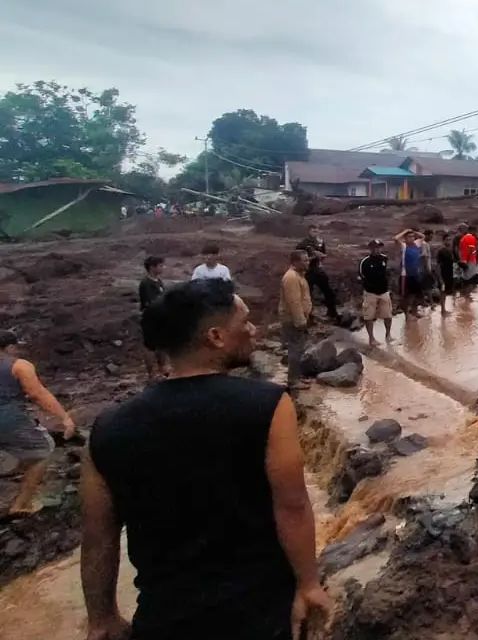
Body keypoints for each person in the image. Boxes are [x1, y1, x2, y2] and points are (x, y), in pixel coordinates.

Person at [83, 279, 333, 640]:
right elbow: (291, 506)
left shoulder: (107, 428)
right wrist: (308, 584)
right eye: (244, 322)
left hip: (164, 616)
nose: (253, 330)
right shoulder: (268, 405)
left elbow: (97, 537)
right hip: (259, 610)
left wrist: (101, 617)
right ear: (215, 337)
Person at [0, 330, 76, 517]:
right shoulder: (19, 366)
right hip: (7, 418)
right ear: (10, 347)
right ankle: (21, 504)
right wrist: (64, 417)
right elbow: (37, 394)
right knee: (42, 452)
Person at [279, 250, 312, 392]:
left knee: (299, 348)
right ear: (295, 262)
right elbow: (294, 302)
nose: (307, 262)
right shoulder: (291, 278)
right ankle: (293, 380)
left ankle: (297, 376)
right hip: (293, 320)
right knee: (295, 349)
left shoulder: (298, 275)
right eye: (304, 260)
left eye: (307, 260)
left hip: (297, 318)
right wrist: (300, 321)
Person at [296, 225, 339, 321]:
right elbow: (298, 258)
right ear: (309, 231)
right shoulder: (303, 244)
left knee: (328, 291)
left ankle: (332, 313)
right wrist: (313, 257)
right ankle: (308, 316)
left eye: (316, 231)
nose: (315, 233)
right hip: (308, 271)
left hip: (318, 269)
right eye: (313, 231)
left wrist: (321, 257)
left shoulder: (320, 242)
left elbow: (324, 255)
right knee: (308, 294)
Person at [138, 256, 169, 379]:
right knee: (150, 346)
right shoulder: (146, 283)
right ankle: (151, 373)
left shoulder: (158, 281)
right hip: (150, 318)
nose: (163, 268)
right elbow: (150, 302)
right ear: (152, 267)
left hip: (160, 317)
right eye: (160, 265)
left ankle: (163, 369)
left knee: (161, 344)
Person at [359, 240, 393, 347]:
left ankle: (388, 335)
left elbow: (388, 273)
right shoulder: (365, 261)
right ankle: (371, 338)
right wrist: (368, 287)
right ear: (370, 248)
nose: (377, 249)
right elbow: (361, 276)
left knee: (388, 315)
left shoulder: (385, 258)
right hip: (370, 293)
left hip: (384, 291)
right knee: (369, 316)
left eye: (379, 247)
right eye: (374, 247)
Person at [394, 229, 426, 317]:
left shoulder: (417, 244)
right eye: (409, 237)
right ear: (405, 238)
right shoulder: (404, 246)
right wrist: (405, 231)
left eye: (412, 237)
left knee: (416, 295)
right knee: (406, 296)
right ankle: (406, 315)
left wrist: (414, 232)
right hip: (405, 275)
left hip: (416, 274)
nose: (411, 238)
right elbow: (396, 238)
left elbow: (423, 236)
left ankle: (414, 312)